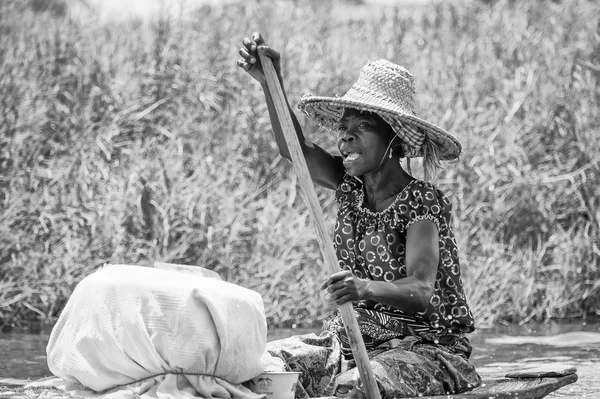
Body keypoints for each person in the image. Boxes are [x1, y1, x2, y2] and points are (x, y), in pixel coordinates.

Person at [237, 32, 481, 398]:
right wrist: (272, 83)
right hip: (353, 339)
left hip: (423, 347)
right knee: (263, 369)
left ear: (393, 141)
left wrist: (362, 288)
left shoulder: (421, 201)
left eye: (362, 128)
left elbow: (420, 289)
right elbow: (296, 149)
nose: (345, 139)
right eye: (344, 130)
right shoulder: (350, 187)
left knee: (353, 388)